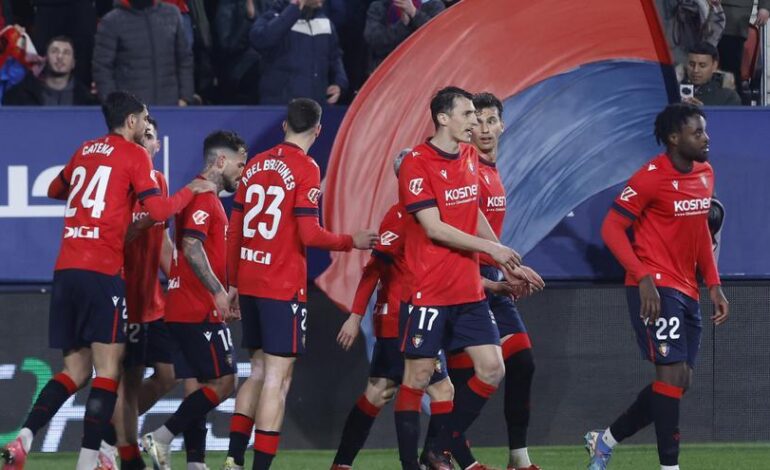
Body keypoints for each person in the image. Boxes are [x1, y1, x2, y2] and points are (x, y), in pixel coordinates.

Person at [0, 90, 214, 470]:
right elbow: (160, 209)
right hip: (104, 273)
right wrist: (191, 190)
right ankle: (91, 460)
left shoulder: (85, 149)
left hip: (65, 269)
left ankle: (25, 437)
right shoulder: (134, 157)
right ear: (131, 121)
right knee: (109, 372)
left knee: (76, 370)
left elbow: (54, 190)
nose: (148, 125)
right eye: (145, 118)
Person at [221, 98, 377, 470]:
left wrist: (232, 284)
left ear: (284, 126)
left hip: (251, 281)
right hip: (281, 286)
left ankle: (233, 458)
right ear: (318, 131)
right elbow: (309, 234)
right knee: (278, 378)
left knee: (257, 372)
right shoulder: (306, 168)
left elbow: (235, 231)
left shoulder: (255, 163)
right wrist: (349, 241)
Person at [585, 103, 729, 470]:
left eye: (705, 131)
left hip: (686, 287)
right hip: (653, 285)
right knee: (668, 377)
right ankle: (669, 466)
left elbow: (700, 230)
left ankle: (604, 441)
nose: (705, 138)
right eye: (697, 133)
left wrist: (713, 284)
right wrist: (643, 275)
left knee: (679, 382)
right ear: (673, 138)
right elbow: (611, 228)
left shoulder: (705, 173)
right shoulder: (650, 177)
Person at [394, 86, 523, 470]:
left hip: (467, 290)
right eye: (468, 114)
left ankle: (440, 447)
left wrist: (507, 259)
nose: (475, 122)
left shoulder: (469, 156)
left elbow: (473, 215)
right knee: (417, 379)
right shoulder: (416, 163)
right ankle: (410, 465)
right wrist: (493, 252)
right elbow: (434, 228)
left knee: (493, 368)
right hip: (428, 291)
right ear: (443, 118)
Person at [426, 92, 544, 470]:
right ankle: (446, 453)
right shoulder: (463, 165)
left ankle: (516, 458)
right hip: (463, 282)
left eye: (491, 121)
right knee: (462, 379)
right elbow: (451, 227)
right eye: (477, 120)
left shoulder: (488, 170)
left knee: (521, 362)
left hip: (490, 278)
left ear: (502, 125)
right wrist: (494, 273)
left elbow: (482, 228)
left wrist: (506, 266)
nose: (485, 128)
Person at [330, 149, 454, 470]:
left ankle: (342, 464)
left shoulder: (431, 214)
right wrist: (355, 316)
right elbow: (374, 268)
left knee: (378, 392)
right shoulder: (400, 216)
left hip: (414, 314)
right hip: (401, 317)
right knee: (441, 390)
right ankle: (426, 461)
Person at [142, 130, 248, 470]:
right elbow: (191, 246)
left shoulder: (201, 195)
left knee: (199, 386)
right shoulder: (204, 196)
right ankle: (161, 436)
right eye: (240, 164)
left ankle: (195, 463)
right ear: (221, 161)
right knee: (225, 382)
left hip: (184, 305)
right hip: (195, 306)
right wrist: (217, 291)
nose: (241, 172)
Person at [99, 117, 182, 470]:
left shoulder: (159, 183)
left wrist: (183, 280)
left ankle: (107, 437)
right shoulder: (122, 184)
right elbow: (118, 237)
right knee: (125, 384)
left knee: (169, 374)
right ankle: (110, 449)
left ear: (157, 147)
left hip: (154, 302)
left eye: (151, 136)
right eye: (141, 135)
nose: (145, 141)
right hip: (125, 299)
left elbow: (163, 245)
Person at [92, 0, 195, 106]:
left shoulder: (172, 15)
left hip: (170, 107)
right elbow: (102, 68)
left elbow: (184, 59)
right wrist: (114, 106)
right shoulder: (111, 21)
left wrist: (185, 98)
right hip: (130, 113)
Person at [250, 0, 348, 105]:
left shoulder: (325, 22)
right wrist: (295, 7)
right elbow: (260, 40)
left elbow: (335, 57)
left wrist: (339, 84)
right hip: (281, 108)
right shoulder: (275, 14)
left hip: (316, 109)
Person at [2, 35, 97, 105]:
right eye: (54, 51)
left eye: (66, 53)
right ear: (45, 59)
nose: (60, 57)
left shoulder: (87, 100)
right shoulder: (23, 95)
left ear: (73, 63)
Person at [363, 0, 445, 74]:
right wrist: (403, 24)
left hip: (423, 69)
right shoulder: (379, 6)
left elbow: (437, 36)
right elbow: (375, 41)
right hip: (388, 71)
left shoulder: (434, 5)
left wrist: (413, 13)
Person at [717, 0, 770, 92]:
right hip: (694, 10)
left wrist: (764, 7)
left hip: (733, 12)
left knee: (729, 67)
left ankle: (732, 102)